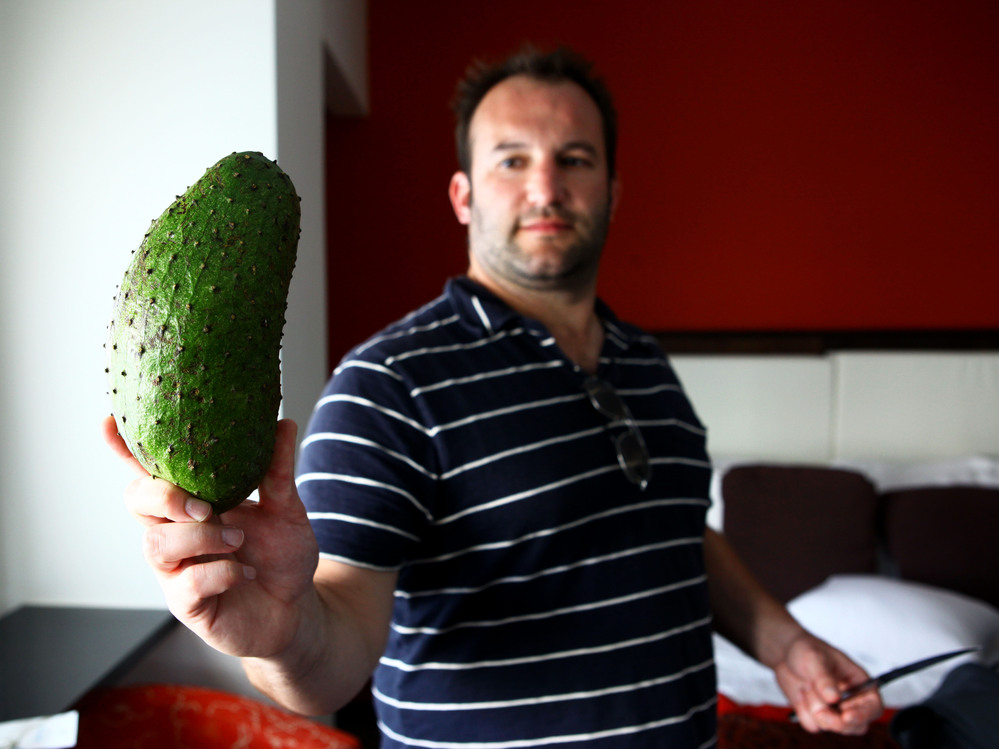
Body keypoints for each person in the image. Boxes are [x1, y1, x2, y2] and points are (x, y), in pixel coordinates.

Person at [104, 46, 883, 747]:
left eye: (573, 158)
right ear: (463, 194)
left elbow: (669, 527)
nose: (545, 185)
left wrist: (785, 644)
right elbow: (330, 653)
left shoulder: (645, 362)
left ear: (612, 190)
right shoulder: (386, 386)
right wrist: (282, 635)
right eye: (511, 160)